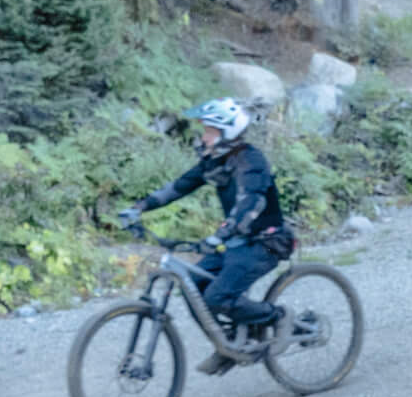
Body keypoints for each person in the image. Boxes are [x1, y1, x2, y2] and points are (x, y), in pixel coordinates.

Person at [119, 97, 295, 373]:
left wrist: (220, 234)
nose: (204, 137)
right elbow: (177, 187)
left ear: (228, 131)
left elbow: (250, 202)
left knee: (217, 297)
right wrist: (138, 208)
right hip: (235, 244)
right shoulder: (213, 162)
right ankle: (228, 344)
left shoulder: (251, 159)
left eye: (210, 131)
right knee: (191, 287)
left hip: (265, 242)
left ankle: (278, 316)